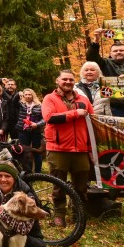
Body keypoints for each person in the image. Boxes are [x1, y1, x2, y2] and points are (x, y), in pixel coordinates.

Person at [41, 69, 93, 227]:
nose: (68, 82)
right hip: (58, 149)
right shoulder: (50, 98)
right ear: (57, 81)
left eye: (71, 79)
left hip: (81, 150)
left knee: (81, 185)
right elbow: (49, 118)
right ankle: (59, 214)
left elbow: (92, 124)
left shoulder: (84, 100)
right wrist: (74, 113)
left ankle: (78, 212)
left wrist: (90, 148)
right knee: (59, 184)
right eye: (64, 79)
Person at [15, 89, 45, 173]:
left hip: (36, 131)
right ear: (23, 96)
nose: (28, 96)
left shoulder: (39, 105)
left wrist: (37, 124)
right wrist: (18, 94)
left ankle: (38, 172)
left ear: (33, 95)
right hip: (23, 131)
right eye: (26, 95)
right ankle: (27, 172)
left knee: (37, 152)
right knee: (24, 152)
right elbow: (12, 101)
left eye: (29, 94)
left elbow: (44, 119)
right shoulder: (21, 105)